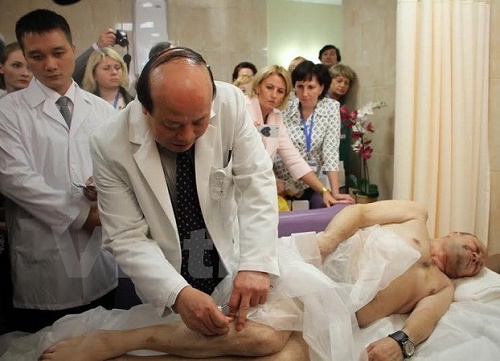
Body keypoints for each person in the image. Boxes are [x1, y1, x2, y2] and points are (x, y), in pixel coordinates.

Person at [37, 200, 488, 361]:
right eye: (473, 244)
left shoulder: (440, 287)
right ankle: (115, 342)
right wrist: (329, 239)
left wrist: (401, 343)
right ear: (453, 232)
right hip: (313, 270)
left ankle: (129, 360)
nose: (474, 254)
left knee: (282, 358)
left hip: (336, 316)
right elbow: (361, 212)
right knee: (266, 337)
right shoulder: (416, 215)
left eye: (478, 261)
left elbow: (424, 323)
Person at [89, 47, 279, 337]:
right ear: (145, 108)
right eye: (172, 125)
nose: (187, 136)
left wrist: (255, 264)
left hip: (226, 255)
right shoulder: (109, 144)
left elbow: (256, 181)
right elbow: (125, 235)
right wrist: (176, 293)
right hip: (167, 269)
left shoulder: (230, 104)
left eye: (200, 122)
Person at [0, 8, 118, 333]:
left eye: (58, 53)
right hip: (43, 264)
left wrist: (101, 185)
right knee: (44, 345)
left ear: (73, 49)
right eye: (36, 56)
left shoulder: (102, 111)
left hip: (99, 261)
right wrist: (86, 216)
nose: (50, 65)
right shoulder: (8, 112)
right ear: (24, 56)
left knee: (102, 342)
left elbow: (117, 169)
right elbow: (16, 180)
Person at [246, 64, 339, 207]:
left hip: (262, 187)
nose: (274, 95)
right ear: (258, 86)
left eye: (280, 91)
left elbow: (293, 159)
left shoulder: (275, 117)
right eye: (269, 88)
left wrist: (324, 191)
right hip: (240, 186)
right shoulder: (244, 109)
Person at [274, 60, 354, 207]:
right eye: (300, 86)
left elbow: (330, 152)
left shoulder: (330, 108)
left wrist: (334, 192)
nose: (304, 93)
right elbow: (271, 149)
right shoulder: (284, 109)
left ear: (321, 87)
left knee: (324, 210)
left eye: (311, 87)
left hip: (309, 184)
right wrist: (273, 180)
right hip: (279, 183)